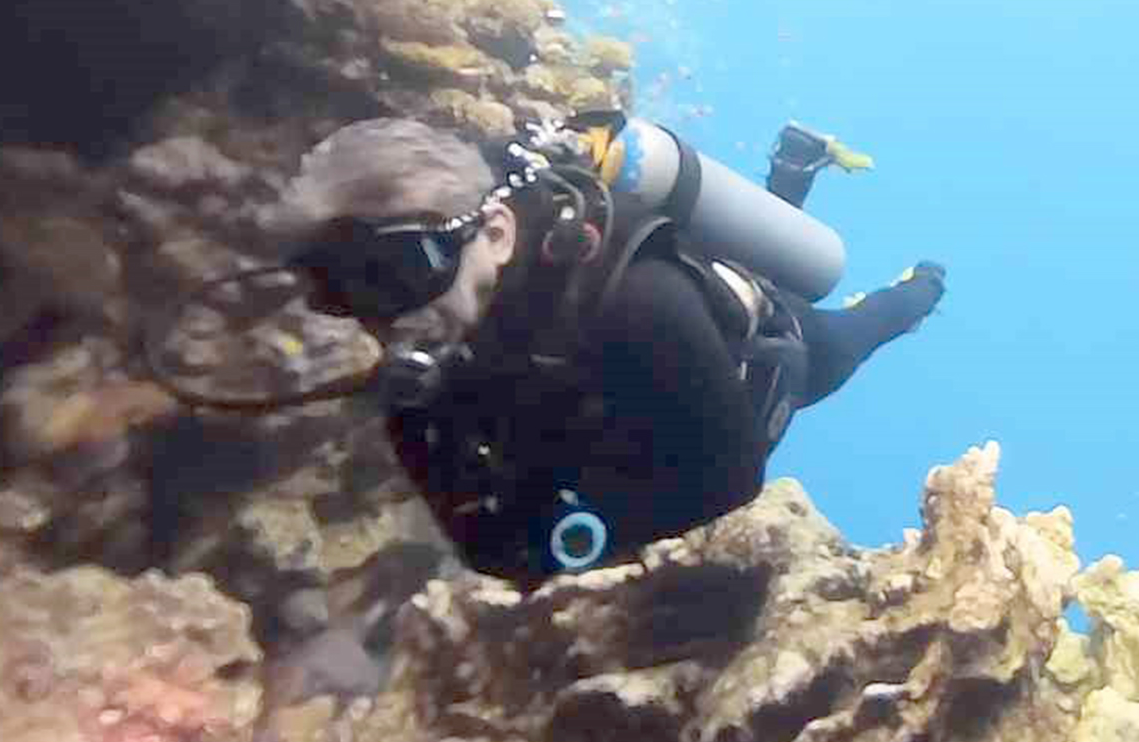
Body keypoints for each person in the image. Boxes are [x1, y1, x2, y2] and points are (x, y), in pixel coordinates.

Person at [260, 112, 946, 586]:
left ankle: (921, 288)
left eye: (408, 274)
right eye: (350, 297)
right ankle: (793, 172)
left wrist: (568, 534)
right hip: (645, 380)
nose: (392, 318)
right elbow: (476, 534)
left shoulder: (637, 302)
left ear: (496, 232)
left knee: (855, 334)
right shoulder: (428, 370)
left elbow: (731, 480)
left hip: (768, 354)